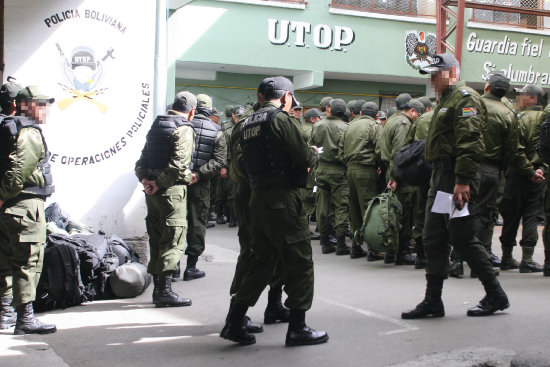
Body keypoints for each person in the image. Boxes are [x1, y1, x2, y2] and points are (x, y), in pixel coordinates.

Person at [220, 76, 327, 347]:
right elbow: (304, 157)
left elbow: (242, 164)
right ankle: (298, 328)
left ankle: (234, 321)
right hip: (283, 200)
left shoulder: (246, 124)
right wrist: (314, 154)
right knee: (300, 262)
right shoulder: (280, 119)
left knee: (260, 262)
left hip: (257, 199)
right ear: (286, 97)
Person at [402, 53, 509, 319]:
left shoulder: (465, 99)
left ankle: (495, 294)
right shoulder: (446, 100)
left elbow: (470, 141)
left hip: (454, 178)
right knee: (433, 236)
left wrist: (462, 180)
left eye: (437, 74)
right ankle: (433, 301)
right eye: (431, 75)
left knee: (461, 237)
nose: (433, 79)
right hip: (442, 178)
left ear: (452, 72)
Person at [226, 79, 289, 336]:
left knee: (278, 251)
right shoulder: (247, 125)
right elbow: (241, 167)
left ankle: (274, 304)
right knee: (252, 253)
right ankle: (237, 312)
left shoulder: (271, 121)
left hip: (269, 194)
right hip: (252, 193)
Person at [0, 85, 56, 334]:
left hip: (9, 206)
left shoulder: (7, 126)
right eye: (40, 104)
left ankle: (5, 314)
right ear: (24, 104)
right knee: (28, 261)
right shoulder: (29, 131)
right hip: (24, 205)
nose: (46, 109)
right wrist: (2, 196)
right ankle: (25, 319)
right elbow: (18, 173)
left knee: (5, 260)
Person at [135, 91, 196, 308]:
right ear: (192, 112)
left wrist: (146, 181)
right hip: (171, 193)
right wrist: (159, 183)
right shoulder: (184, 128)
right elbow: (179, 165)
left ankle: (159, 290)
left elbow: (141, 160)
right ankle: (164, 291)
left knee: (157, 237)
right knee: (172, 239)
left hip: (152, 193)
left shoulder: (156, 127)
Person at [499, 84, 546, 273]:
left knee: (511, 216)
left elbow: (514, 150)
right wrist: (541, 170)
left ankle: (507, 256)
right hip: (538, 176)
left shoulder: (519, 119)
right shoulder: (545, 119)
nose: (519, 99)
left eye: (523, 95)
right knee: (531, 216)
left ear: (533, 98)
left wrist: (527, 170)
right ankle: (527, 258)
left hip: (518, 174)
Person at [181, 94, 226, 281]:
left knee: (176, 224)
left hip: (178, 182)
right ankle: (191, 268)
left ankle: (173, 267)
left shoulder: (182, 126)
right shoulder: (217, 131)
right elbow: (219, 161)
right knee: (197, 224)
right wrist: (198, 175)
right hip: (200, 184)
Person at [381, 99, 425, 265]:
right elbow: (399, 153)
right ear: (412, 111)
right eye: (418, 115)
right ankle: (401, 252)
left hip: (391, 171)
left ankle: (391, 253)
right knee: (404, 214)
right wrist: (395, 176)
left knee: (394, 212)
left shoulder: (392, 119)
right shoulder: (403, 123)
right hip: (399, 174)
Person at [339, 101, 382, 259]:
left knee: (355, 208)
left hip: (350, 170)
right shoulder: (375, 126)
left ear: (361, 113)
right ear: (376, 115)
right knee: (368, 209)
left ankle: (356, 247)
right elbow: (380, 150)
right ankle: (372, 248)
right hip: (367, 170)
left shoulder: (349, 126)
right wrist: (379, 165)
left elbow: (340, 151)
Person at [311, 98, 350, 255]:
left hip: (321, 169)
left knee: (323, 205)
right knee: (341, 206)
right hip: (339, 170)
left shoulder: (317, 125)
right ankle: (341, 243)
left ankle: (325, 241)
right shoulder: (346, 127)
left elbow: (311, 145)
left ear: (329, 109)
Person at [216, 105, 243, 227]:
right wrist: (223, 166)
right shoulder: (227, 131)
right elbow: (224, 151)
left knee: (237, 191)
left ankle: (234, 216)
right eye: (238, 116)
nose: (240, 118)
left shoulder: (245, 127)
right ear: (233, 115)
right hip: (230, 163)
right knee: (229, 192)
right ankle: (230, 218)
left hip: (241, 163)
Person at [301, 108, 323, 240]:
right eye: (319, 118)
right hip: (311, 168)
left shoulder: (302, 128)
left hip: (304, 168)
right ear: (313, 119)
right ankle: (305, 230)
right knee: (309, 199)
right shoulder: (311, 130)